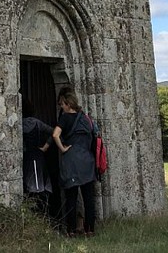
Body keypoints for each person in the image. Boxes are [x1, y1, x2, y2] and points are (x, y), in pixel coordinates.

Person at [52, 88, 96, 237]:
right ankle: (90, 229)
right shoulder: (85, 118)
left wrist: (63, 149)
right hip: (87, 160)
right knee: (88, 197)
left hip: (72, 161)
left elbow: (55, 135)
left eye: (62, 104)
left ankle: (71, 231)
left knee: (71, 197)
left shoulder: (65, 117)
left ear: (68, 103)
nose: (61, 107)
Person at [22, 98, 53, 215]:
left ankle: (39, 215)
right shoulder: (36, 123)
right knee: (38, 187)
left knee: (36, 189)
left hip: (32, 158)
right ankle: (41, 215)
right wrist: (46, 146)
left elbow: (54, 132)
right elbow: (53, 132)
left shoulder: (30, 123)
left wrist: (46, 146)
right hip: (37, 157)